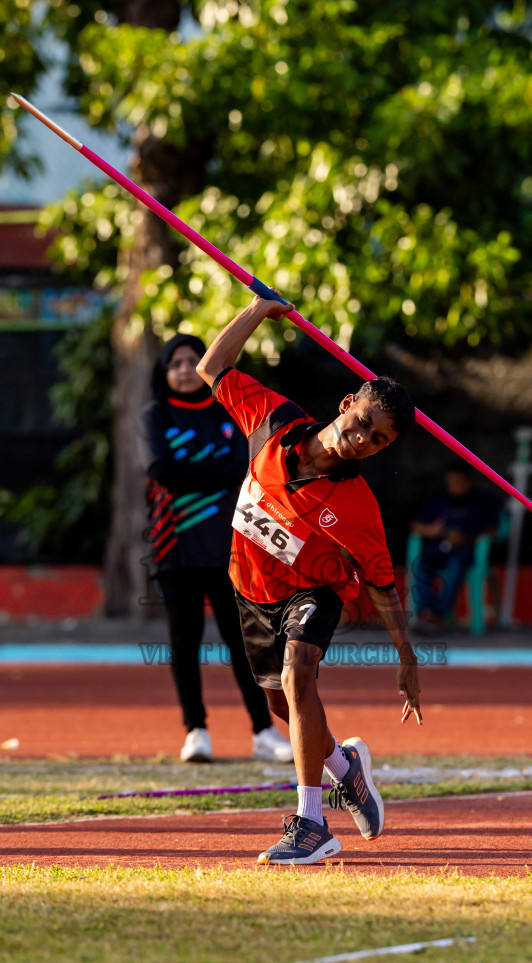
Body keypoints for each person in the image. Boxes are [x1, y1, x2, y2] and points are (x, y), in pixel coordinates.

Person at [196, 293, 422, 866]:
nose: (364, 440)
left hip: (314, 591)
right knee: (285, 709)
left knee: (300, 679)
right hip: (250, 589)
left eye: (379, 441)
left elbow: (380, 583)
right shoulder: (272, 421)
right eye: (363, 423)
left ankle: (311, 824)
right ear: (347, 403)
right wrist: (255, 310)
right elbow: (211, 368)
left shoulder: (357, 503)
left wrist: (407, 658)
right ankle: (347, 769)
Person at [138, 333, 293, 764]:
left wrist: (196, 471)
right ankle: (196, 731)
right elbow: (160, 469)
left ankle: (263, 731)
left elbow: (243, 464)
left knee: (244, 642)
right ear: (164, 372)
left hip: (231, 547)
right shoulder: (154, 415)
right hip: (175, 547)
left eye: (193, 360)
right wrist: (215, 471)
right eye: (176, 363)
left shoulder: (227, 410)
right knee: (183, 641)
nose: (186, 370)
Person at [410, 462, 500, 633]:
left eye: (460, 482)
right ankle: (426, 613)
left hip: (468, 551)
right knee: (421, 564)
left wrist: (466, 538)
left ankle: (438, 616)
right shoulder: (440, 499)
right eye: (452, 482)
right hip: (440, 549)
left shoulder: (483, 501)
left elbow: (494, 528)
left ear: (470, 481)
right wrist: (430, 531)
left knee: (456, 565)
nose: (455, 486)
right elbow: (416, 525)